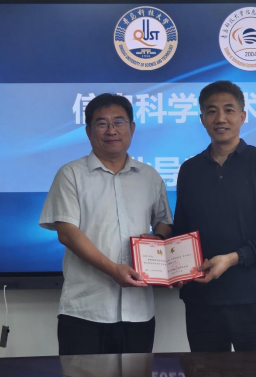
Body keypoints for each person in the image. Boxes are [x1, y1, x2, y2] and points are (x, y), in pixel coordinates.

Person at [39, 93, 172, 355]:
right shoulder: (71, 174)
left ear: (132, 128)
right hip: (86, 310)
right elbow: (67, 233)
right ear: (88, 131)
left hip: (139, 311)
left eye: (119, 122)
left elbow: (164, 222)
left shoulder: (149, 176)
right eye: (101, 123)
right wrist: (113, 270)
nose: (111, 130)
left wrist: (156, 241)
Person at [173, 80, 256, 352]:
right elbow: (182, 231)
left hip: (255, 298)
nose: (220, 118)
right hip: (202, 300)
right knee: (205, 371)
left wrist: (232, 258)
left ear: (242, 116)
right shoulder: (190, 170)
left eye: (229, 110)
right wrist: (168, 263)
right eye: (212, 111)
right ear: (202, 119)